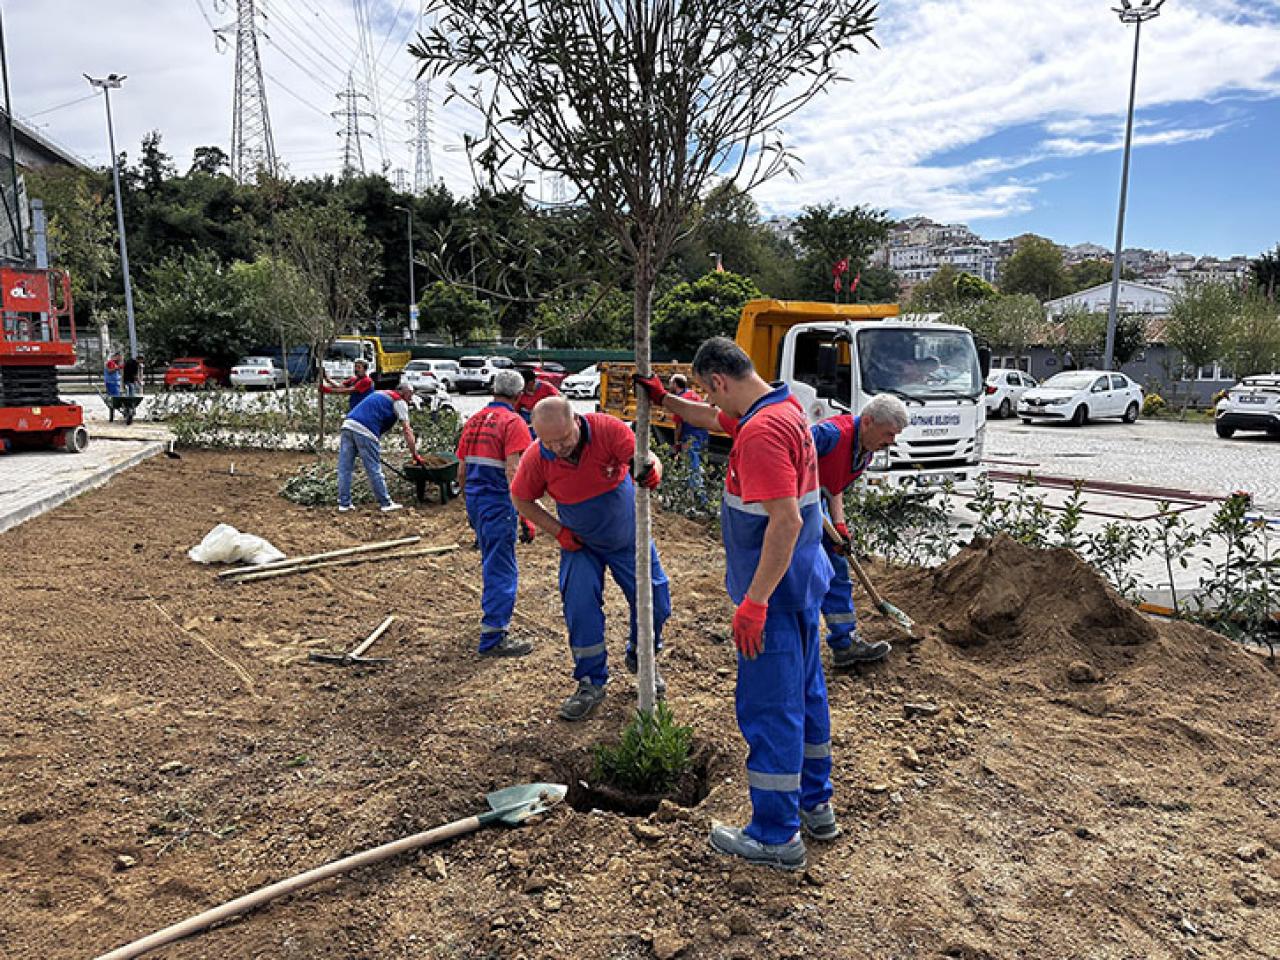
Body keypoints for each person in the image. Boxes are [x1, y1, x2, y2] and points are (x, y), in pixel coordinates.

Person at [635, 338, 835, 872]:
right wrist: (667, 401)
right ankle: (817, 806)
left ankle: (775, 836)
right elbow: (718, 418)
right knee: (809, 697)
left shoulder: (763, 432)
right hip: (802, 587)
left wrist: (754, 603)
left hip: (772, 594)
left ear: (720, 381)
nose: (710, 401)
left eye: (707, 392)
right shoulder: (780, 408)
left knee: (771, 710)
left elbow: (785, 521)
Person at [510, 397, 671, 721]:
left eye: (563, 439)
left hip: (629, 540)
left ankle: (642, 661)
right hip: (580, 544)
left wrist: (652, 470)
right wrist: (558, 532)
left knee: (655, 599)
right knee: (580, 607)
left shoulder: (607, 430)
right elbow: (521, 498)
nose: (558, 447)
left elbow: (647, 458)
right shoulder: (537, 456)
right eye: (549, 442)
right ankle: (590, 682)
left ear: (576, 422)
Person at [811, 395, 909, 668]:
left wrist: (839, 526)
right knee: (809, 572)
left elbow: (835, 485)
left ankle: (845, 643)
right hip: (791, 507)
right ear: (867, 422)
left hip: (818, 507)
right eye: (889, 433)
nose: (892, 441)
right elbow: (786, 458)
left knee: (838, 567)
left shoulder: (865, 450)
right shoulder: (829, 434)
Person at [455, 369, 536, 658]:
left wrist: (469, 505)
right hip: (498, 502)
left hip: (477, 500)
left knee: (491, 560)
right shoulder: (514, 422)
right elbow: (514, 470)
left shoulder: (474, 420)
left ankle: (492, 622)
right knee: (501, 567)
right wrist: (526, 514)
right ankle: (493, 636)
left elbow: (461, 470)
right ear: (518, 395)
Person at [337, 381, 424, 514]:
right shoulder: (399, 402)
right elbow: (407, 430)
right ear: (404, 393)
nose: (410, 399)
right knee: (374, 469)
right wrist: (414, 454)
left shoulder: (381, 393)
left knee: (345, 468)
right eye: (410, 395)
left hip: (348, 426)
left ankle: (344, 504)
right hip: (366, 430)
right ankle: (385, 503)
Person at [668, 373, 708, 500]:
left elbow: (678, 426)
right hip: (702, 433)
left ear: (675, 384)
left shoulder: (680, 401)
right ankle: (690, 494)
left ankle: (701, 500)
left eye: (670, 383)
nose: (669, 386)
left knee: (693, 466)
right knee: (696, 464)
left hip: (690, 436)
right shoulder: (693, 394)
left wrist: (677, 443)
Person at [121, 354, 144, 425]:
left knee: (128, 396)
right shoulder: (135, 364)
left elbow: (124, 371)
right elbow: (135, 375)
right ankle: (130, 409)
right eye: (141, 361)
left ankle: (127, 410)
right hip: (130, 381)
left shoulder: (129, 361)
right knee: (131, 396)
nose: (141, 362)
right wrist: (140, 382)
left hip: (126, 380)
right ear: (139, 359)